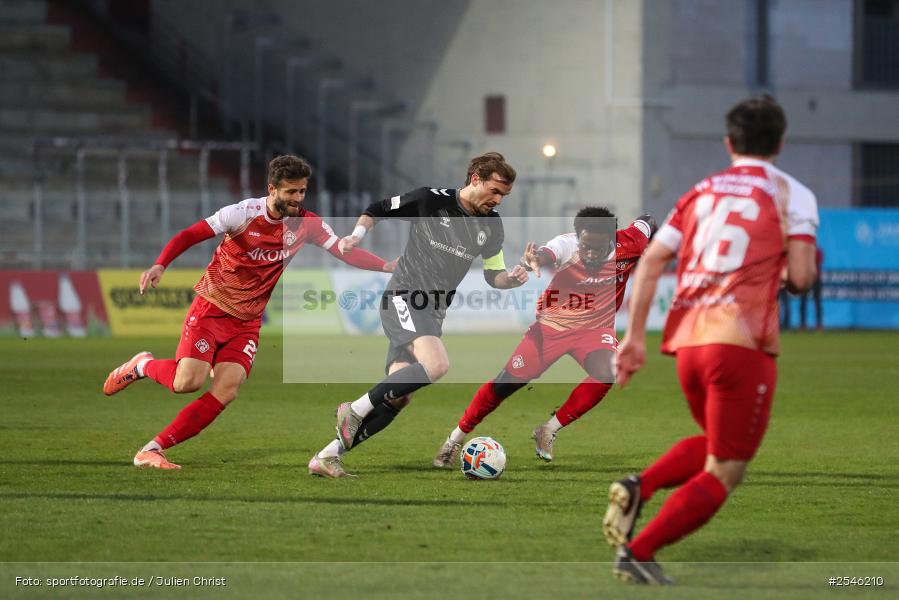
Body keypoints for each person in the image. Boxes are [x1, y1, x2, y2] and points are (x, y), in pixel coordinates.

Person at [604, 94, 818, 584]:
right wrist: (781, 269)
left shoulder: (699, 191)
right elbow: (803, 278)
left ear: (728, 143)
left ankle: (642, 485)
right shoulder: (793, 194)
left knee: (714, 447)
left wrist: (634, 338)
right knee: (727, 469)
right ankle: (640, 551)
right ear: (781, 142)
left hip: (688, 344)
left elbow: (653, 261)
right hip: (741, 344)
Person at [103, 155, 393, 469]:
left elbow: (344, 252)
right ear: (272, 189)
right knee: (187, 383)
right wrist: (161, 263)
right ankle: (143, 366)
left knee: (227, 389)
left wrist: (387, 266)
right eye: (290, 192)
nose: (297, 199)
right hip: (212, 309)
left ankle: (152, 449)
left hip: (248, 321)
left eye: (302, 191)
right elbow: (189, 234)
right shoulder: (242, 213)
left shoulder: (307, 224)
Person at [308, 152, 530, 478]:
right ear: (475, 179)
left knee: (399, 397)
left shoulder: (491, 225)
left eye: (504, 196)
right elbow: (378, 209)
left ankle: (326, 456)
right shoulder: (430, 200)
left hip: (433, 311)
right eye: (494, 191)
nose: (497, 200)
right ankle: (352, 409)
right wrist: (357, 235)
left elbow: (492, 275)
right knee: (437, 364)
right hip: (404, 296)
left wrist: (510, 279)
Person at [433, 208, 656, 467]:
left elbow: (648, 220)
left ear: (613, 239)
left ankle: (548, 429)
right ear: (578, 238)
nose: (591, 254)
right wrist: (534, 260)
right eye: (586, 247)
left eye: (598, 248)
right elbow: (546, 254)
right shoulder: (566, 245)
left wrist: (656, 251)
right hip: (552, 327)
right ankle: (454, 439)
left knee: (608, 371)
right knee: (504, 385)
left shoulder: (632, 242)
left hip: (596, 330)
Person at [799, 247, 824, 331]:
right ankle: (803, 324)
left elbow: (819, 261)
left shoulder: (818, 251)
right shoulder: (804, 252)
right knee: (803, 302)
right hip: (806, 278)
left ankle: (819, 325)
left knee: (817, 302)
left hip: (816, 279)